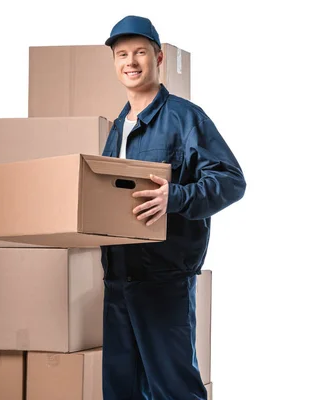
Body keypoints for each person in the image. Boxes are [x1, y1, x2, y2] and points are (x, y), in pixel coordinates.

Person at [100, 15, 246, 400]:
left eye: (140, 53)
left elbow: (231, 181)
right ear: (115, 63)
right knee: (121, 391)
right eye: (122, 54)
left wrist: (176, 197)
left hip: (163, 280)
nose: (130, 62)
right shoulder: (118, 127)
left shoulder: (185, 118)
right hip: (118, 281)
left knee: (174, 391)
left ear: (159, 57)